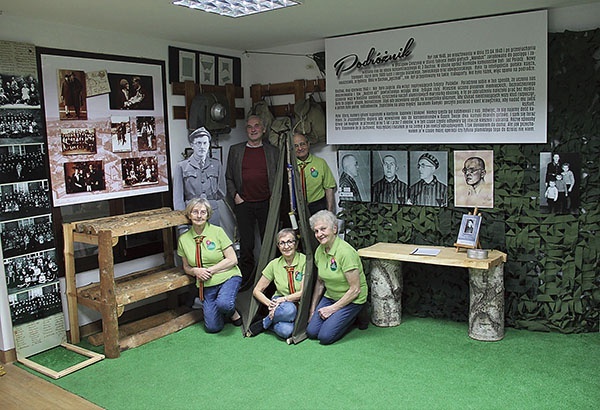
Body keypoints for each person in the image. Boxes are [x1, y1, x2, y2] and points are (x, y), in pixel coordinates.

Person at [226, 115, 279, 289]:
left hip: (267, 204)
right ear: (246, 130)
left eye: (257, 126)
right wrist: (236, 196)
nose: (253, 129)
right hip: (244, 204)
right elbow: (229, 178)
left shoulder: (273, 151)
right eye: (249, 127)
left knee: (270, 244)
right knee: (247, 245)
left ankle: (270, 283)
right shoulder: (235, 150)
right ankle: (246, 281)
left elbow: (279, 178)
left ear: (263, 129)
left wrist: (275, 200)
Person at [177, 198, 242, 333]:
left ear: (208, 215)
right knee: (213, 327)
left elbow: (233, 259)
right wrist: (195, 271)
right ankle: (222, 309)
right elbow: (186, 267)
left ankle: (231, 311)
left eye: (203, 212)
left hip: (228, 277)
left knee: (224, 304)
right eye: (195, 212)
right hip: (207, 285)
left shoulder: (217, 232)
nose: (199, 216)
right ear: (189, 215)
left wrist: (210, 270)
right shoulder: (183, 239)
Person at [306, 210, 368, 345]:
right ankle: (339, 317)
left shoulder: (346, 252)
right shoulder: (319, 250)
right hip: (331, 296)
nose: (319, 234)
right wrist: (313, 310)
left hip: (352, 298)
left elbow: (355, 289)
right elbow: (320, 282)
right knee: (311, 332)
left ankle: (355, 317)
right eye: (316, 231)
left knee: (325, 337)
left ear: (334, 229)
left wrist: (332, 309)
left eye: (323, 229)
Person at [248, 228, 305, 339]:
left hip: (298, 301)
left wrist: (283, 299)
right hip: (281, 305)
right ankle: (272, 319)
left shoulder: (304, 261)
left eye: (290, 242)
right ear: (278, 246)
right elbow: (256, 291)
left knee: (287, 327)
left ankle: (265, 322)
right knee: (289, 318)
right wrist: (270, 304)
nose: (286, 246)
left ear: (296, 244)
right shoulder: (274, 264)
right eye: (282, 243)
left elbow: (302, 292)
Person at [173, 127, 224, 227]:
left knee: (213, 242)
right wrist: (182, 225)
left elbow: (221, 192)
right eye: (198, 143)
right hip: (191, 215)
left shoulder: (216, 165)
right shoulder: (182, 167)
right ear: (192, 145)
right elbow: (178, 199)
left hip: (212, 216)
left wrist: (210, 202)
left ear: (209, 145)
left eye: (205, 143)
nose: (202, 147)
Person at [293, 133, 336, 215]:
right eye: (296, 146)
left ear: (308, 144)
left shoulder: (320, 163)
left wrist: (330, 211)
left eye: (302, 144)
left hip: (317, 206)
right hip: (297, 208)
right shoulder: (289, 165)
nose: (300, 148)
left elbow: (329, 187)